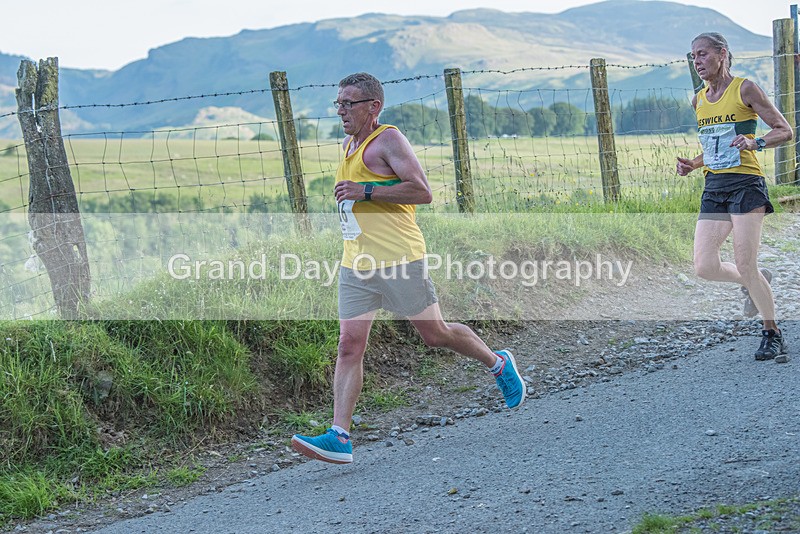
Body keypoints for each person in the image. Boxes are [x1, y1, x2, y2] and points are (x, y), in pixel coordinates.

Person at [291, 72, 526, 464]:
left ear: (373, 107)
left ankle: (498, 363)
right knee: (349, 344)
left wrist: (366, 191)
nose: (340, 110)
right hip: (357, 262)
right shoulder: (350, 143)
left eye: (348, 103)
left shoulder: (389, 139)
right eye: (338, 103)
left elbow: (422, 191)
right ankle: (340, 436)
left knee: (435, 334)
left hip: (400, 258)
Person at [676, 32, 792, 362]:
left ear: (722, 54)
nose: (697, 61)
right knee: (704, 266)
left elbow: (784, 130)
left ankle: (772, 332)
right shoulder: (699, 100)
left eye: (703, 54)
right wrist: (693, 164)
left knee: (745, 261)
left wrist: (756, 143)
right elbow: (714, 147)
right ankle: (755, 280)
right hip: (714, 187)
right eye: (693, 56)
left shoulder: (745, 88)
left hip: (746, 184)